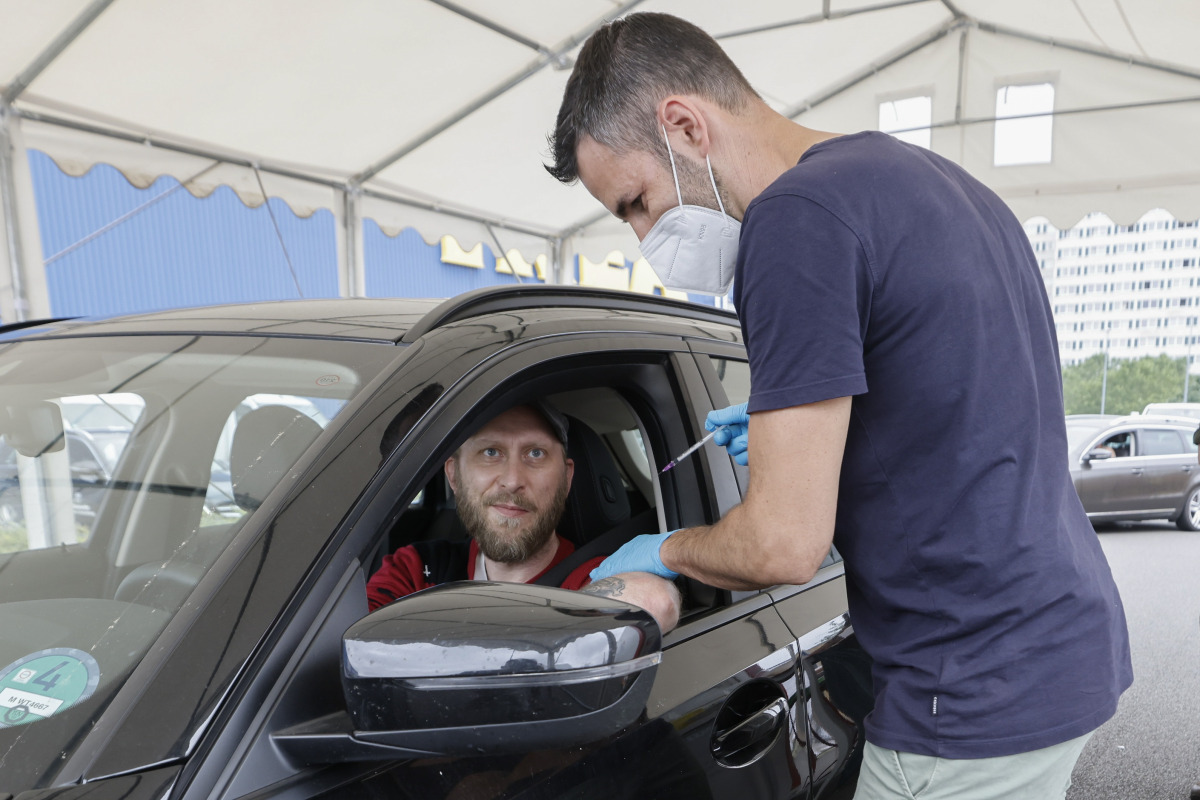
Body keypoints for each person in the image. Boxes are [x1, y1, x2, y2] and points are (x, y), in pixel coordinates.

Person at [546, 12, 1130, 799]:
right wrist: (809, 441)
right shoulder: (933, 183)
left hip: (966, 686)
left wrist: (665, 550)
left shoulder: (795, 223)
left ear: (684, 124)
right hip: (1056, 643)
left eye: (637, 202)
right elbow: (958, 411)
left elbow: (783, 547)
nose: (646, 236)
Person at [366, 401, 681, 631]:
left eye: (535, 453)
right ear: (454, 475)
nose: (513, 479)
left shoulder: (592, 578)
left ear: (567, 478)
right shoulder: (414, 571)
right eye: (491, 452)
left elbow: (655, 602)